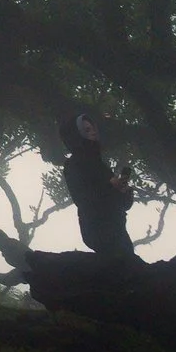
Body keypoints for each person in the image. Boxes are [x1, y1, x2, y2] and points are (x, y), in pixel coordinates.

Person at [58, 110, 138, 259]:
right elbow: (83, 199)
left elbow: (122, 204)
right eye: (87, 130)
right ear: (77, 135)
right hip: (98, 230)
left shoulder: (100, 164)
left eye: (93, 128)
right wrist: (110, 187)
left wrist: (124, 191)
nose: (93, 132)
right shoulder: (73, 164)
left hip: (117, 228)